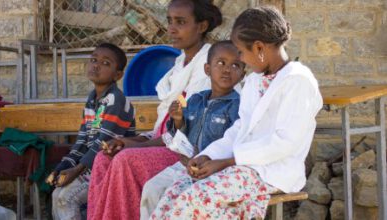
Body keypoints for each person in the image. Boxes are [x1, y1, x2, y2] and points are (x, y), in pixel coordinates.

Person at [149, 6, 323, 220]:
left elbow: (284, 143)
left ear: (259, 48)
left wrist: (227, 162)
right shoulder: (254, 81)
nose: (241, 58)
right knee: (173, 193)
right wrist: (208, 155)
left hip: (273, 171)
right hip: (242, 165)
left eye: (241, 52)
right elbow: (240, 129)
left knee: (195, 199)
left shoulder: (298, 81)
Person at [87, 0, 223, 219]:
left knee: (125, 159)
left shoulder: (211, 66)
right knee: (104, 158)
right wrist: (132, 141)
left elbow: (188, 133)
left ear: (202, 26)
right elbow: (162, 128)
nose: (171, 28)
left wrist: (135, 145)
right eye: (169, 21)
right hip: (163, 144)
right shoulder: (179, 65)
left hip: (188, 153)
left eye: (181, 22)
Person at [140, 40, 245, 219]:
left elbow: (236, 142)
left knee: (181, 202)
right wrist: (178, 120)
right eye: (221, 63)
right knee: (151, 189)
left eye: (235, 65)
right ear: (207, 69)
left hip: (214, 170)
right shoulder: (195, 99)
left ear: (243, 74)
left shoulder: (238, 105)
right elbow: (178, 135)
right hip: (184, 165)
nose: (227, 69)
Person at [50, 43, 135, 220]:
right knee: (56, 194)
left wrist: (76, 170)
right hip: (90, 167)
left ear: (117, 75)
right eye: (93, 60)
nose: (96, 65)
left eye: (105, 63)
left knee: (66, 198)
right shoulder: (91, 101)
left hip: (110, 168)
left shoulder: (115, 100)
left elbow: (103, 142)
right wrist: (62, 167)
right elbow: (81, 141)